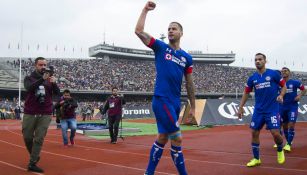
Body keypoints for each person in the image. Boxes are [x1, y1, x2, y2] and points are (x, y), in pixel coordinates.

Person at [135, 1, 196, 174]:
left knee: (162, 137)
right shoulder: (161, 48)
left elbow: (189, 83)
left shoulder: (187, 58)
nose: (170, 30)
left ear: (181, 33)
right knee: (177, 137)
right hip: (161, 99)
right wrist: (145, 10)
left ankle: (148, 172)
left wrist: (193, 105)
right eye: (168, 28)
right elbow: (139, 32)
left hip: (176, 102)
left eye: (174, 28)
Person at [238, 53, 287, 167]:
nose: (257, 61)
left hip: (272, 109)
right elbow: (246, 92)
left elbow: (284, 86)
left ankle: (280, 149)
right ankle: (256, 159)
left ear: (265, 61)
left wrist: (281, 95)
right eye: (256, 60)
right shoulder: (252, 78)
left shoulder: (273, 74)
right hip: (258, 110)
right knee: (254, 132)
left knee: (275, 133)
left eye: (260, 59)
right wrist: (240, 107)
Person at [22, 57, 60, 173]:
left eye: (44, 65)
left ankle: (32, 162)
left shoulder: (49, 79)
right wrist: (41, 80)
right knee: (27, 137)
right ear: (35, 65)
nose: (43, 67)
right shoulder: (29, 78)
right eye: (40, 65)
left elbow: (58, 95)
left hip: (45, 113)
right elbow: (29, 88)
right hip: (30, 112)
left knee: (39, 139)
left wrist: (54, 84)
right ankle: (35, 155)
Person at [278, 67, 306, 152]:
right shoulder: (278, 83)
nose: (283, 72)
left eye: (285, 71)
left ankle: (288, 144)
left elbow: (304, 89)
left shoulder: (295, 82)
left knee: (291, 125)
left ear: (289, 72)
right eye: (282, 71)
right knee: (284, 126)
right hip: (282, 107)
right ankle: (288, 141)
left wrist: (299, 96)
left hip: (292, 107)